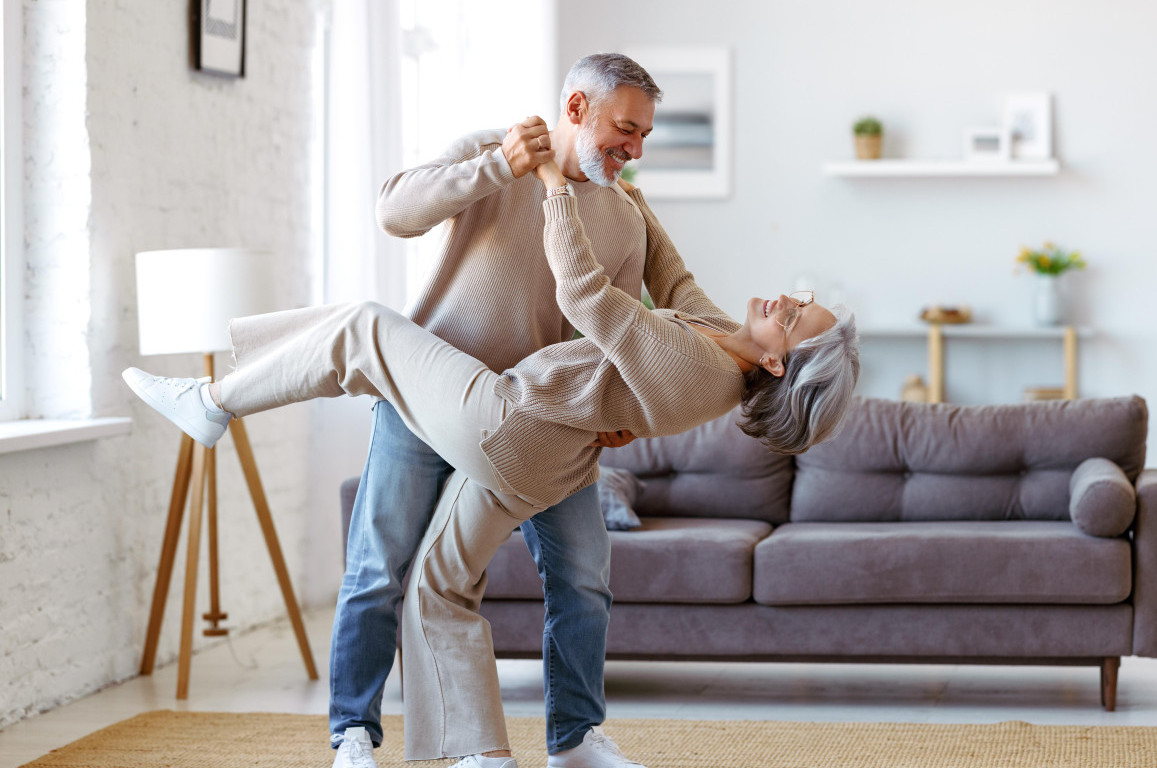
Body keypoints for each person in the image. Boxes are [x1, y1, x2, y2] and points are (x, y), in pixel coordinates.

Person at [123, 159, 861, 768]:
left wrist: (555, 189)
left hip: (508, 423)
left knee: (364, 329)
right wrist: (635, 201)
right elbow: (671, 276)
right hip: (551, 453)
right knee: (440, 583)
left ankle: (213, 401)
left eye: (794, 318)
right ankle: (482, 752)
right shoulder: (717, 340)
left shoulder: (697, 368)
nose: (785, 300)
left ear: (774, 360)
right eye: (800, 300)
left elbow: (585, 294)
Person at [358, 52, 664, 768]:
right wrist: (496, 165)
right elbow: (394, 212)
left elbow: (608, 332)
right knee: (380, 568)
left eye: (646, 135)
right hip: (425, 396)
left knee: (585, 572)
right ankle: (354, 735)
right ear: (577, 110)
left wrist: (614, 403)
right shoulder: (487, 151)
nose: (635, 149)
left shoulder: (623, 219)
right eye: (625, 128)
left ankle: (575, 740)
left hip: (537, 423)